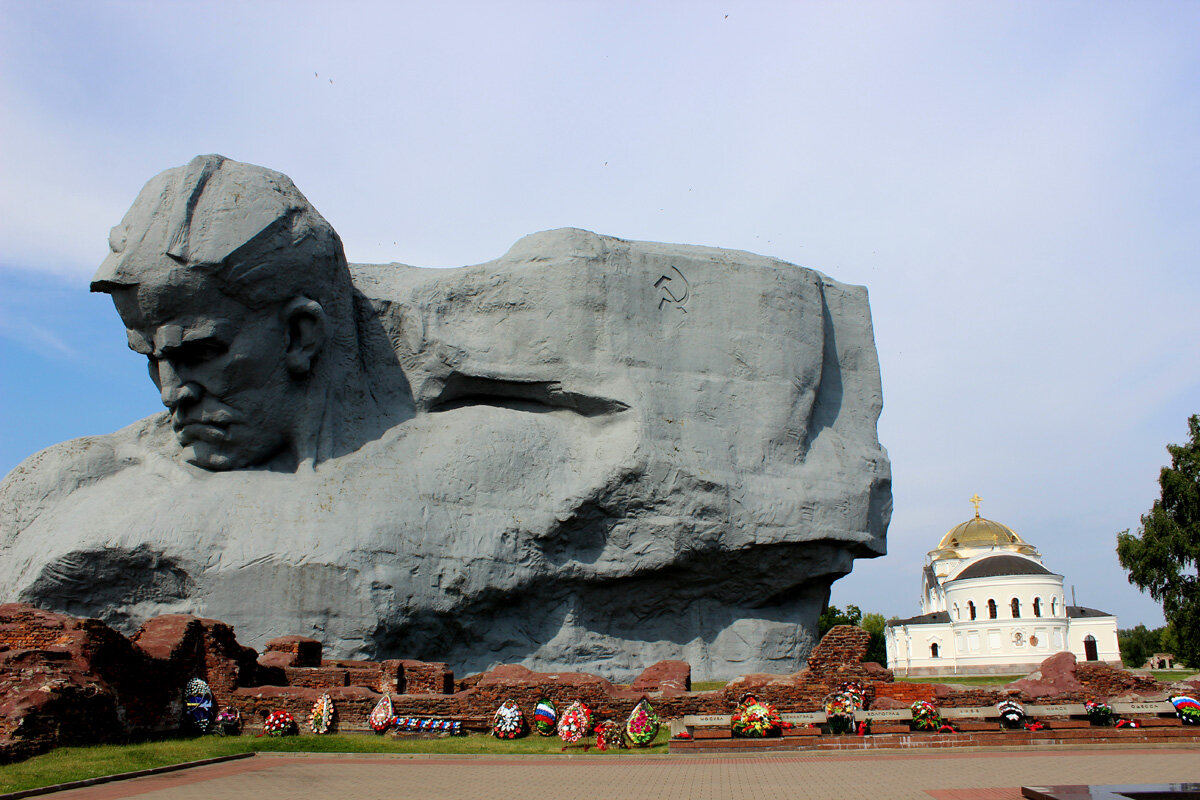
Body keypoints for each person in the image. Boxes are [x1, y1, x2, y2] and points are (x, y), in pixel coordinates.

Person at [90, 154, 405, 470]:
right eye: (151, 358)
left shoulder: (429, 467)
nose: (170, 394)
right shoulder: (101, 480)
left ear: (300, 335)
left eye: (198, 353)